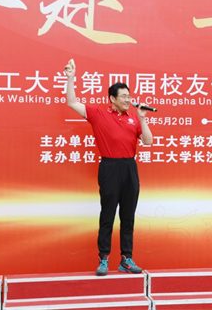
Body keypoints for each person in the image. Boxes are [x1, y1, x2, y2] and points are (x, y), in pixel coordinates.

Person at [64, 59, 153, 276]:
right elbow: (72, 102)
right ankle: (103, 258)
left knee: (128, 217)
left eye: (129, 96)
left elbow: (148, 141)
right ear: (112, 99)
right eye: (123, 96)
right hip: (109, 167)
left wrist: (142, 119)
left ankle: (126, 259)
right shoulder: (99, 115)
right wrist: (71, 78)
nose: (127, 100)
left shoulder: (133, 119)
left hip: (129, 167)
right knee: (108, 215)